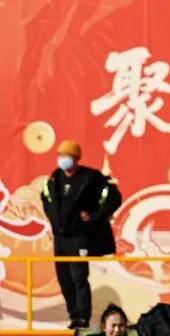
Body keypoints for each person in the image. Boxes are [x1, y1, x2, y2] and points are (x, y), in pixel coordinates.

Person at [41, 140, 123, 329]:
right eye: (60, 155)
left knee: (79, 278)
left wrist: (95, 216)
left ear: (76, 159)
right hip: (60, 238)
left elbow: (113, 197)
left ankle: (83, 318)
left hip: (79, 238)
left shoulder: (90, 177)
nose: (62, 160)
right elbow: (46, 198)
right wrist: (54, 219)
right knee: (64, 278)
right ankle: (73, 316)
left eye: (66, 156)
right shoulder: (55, 178)